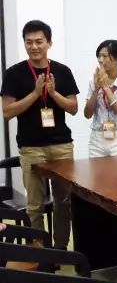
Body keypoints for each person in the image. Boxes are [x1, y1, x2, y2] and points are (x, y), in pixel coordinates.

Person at [1, 20, 79, 249]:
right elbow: (7, 112)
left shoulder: (62, 71)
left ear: (49, 43)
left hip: (61, 146)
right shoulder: (14, 73)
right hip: (31, 147)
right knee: (35, 205)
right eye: (29, 42)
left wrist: (53, 94)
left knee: (63, 203)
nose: (34, 46)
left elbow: (73, 108)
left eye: (39, 41)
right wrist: (35, 94)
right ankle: (39, 251)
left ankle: (60, 249)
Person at [84, 40, 117, 157]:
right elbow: (87, 114)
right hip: (97, 137)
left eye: (105, 56)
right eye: (99, 56)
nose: (100, 60)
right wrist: (96, 89)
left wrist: (105, 87)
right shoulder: (93, 81)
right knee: (95, 169)